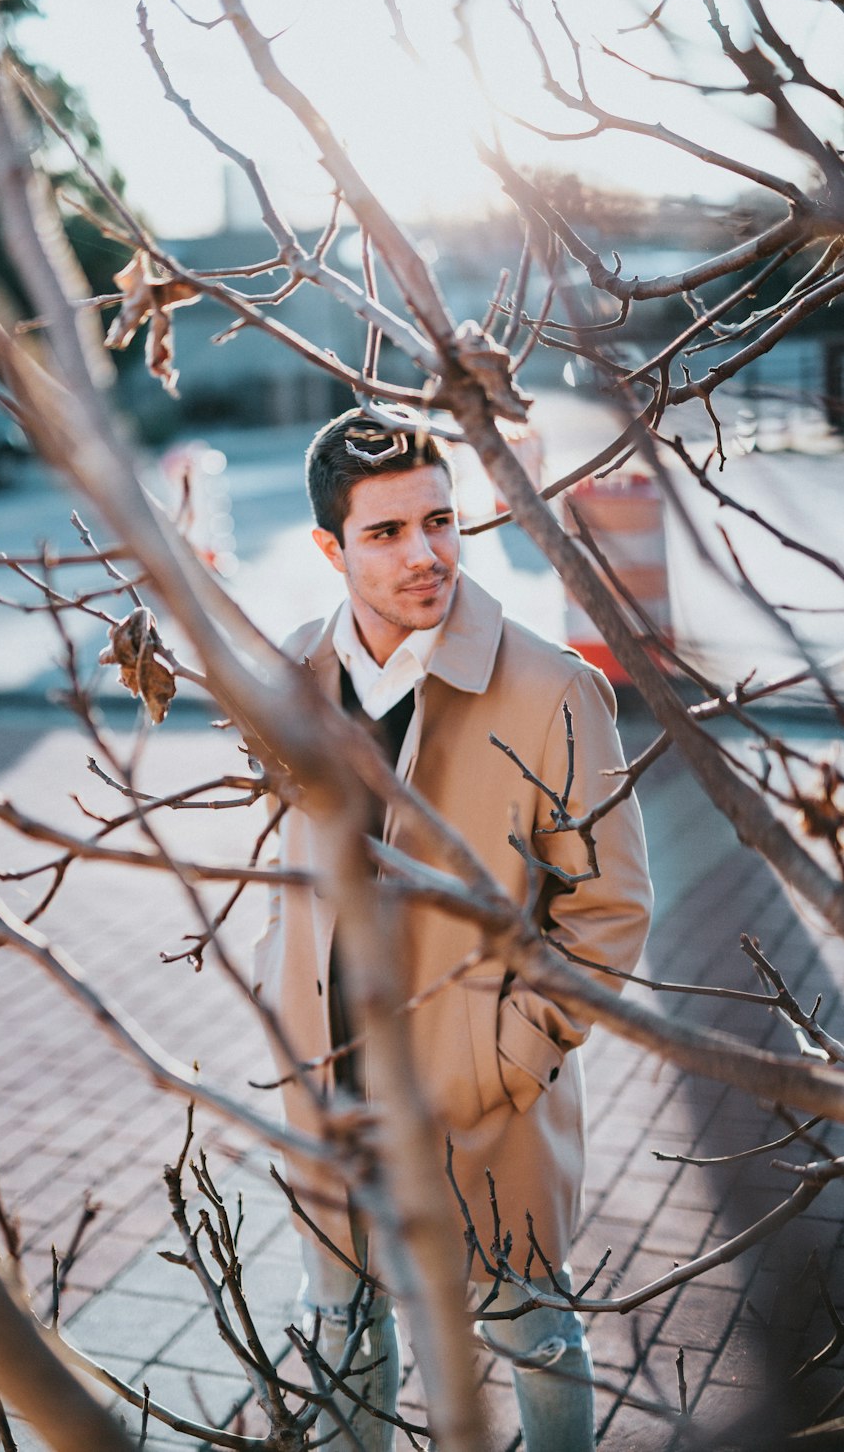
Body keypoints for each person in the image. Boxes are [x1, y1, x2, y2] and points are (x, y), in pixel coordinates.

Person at [252, 410, 653, 1451]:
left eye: (439, 522)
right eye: (385, 534)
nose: (424, 555)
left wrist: (504, 1060)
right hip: (329, 1092)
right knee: (339, 1328)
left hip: (477, 1099)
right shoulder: (288, 680)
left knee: (533, 1330)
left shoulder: (553, 688)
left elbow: (606, 909)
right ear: (329, 550)